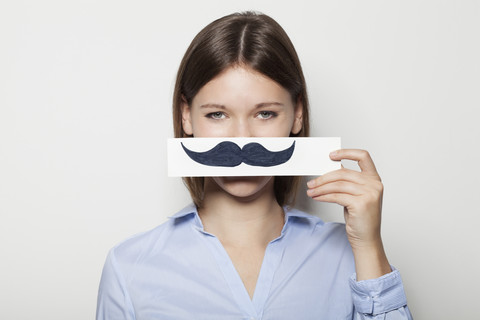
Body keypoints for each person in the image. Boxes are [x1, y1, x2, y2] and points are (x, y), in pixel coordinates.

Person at [96, 11, 413, 319]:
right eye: (217, 114)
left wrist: (369, 246)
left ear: (297, 114)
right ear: (186, 116)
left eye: (265, 114)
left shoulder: (349, 254)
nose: (242, 140)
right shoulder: (130, 267)